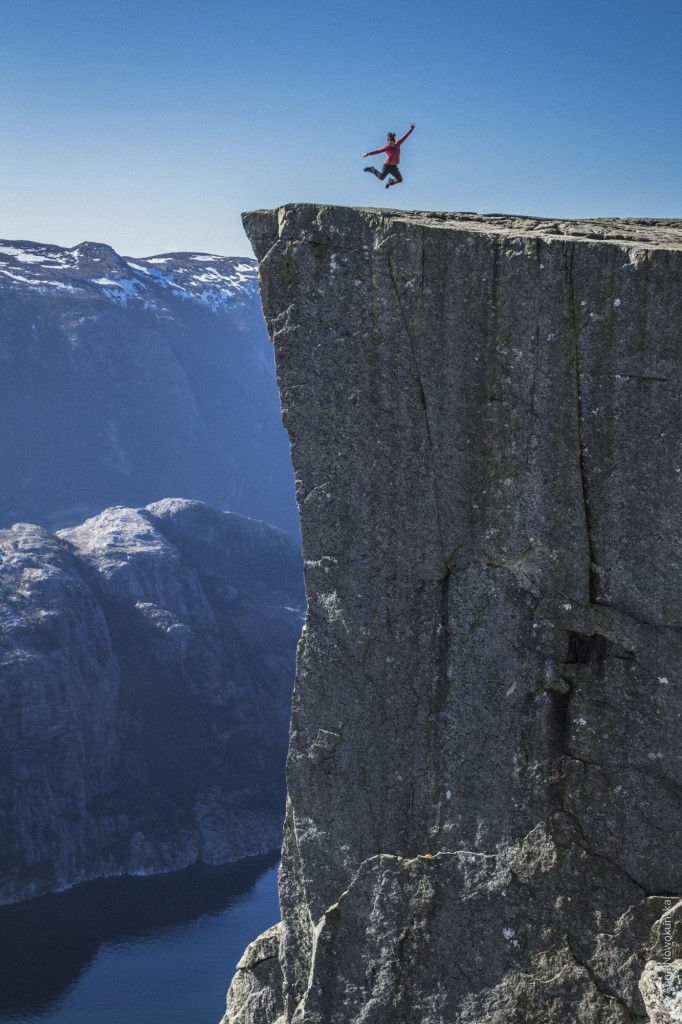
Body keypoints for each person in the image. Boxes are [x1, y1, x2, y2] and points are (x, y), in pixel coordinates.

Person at [363, 124, 416, 188]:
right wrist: (368, 153)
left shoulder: (398, 144)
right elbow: (378, 151)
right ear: (388, 142)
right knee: (381, 178)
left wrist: (411, 130)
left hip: (394, 167)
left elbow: (404, 137)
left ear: (394, 141)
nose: (391, 144)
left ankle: (390, 181)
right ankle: (372, 170)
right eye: (390, 143)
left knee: (400, 179)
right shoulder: (387, 147)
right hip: (387, 166)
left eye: (392, 143)